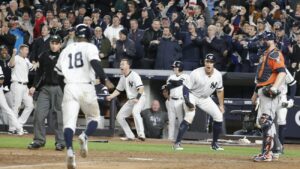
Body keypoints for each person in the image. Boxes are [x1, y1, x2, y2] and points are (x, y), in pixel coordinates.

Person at [54, 24, 114, 169]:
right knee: (94, 118)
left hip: (70, 86)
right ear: (89, 35)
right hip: (86, 86)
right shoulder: (90, 47)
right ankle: (85, 135)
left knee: (69, 124)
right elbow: (94, 63)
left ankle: (69, 150)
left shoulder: (66, 49)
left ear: (76, 35)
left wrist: (66, 87)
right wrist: (105, 79)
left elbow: (57, 72)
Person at [173, 53, 225, 151]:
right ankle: (177, 143)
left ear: (214, 64)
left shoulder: (218, 75)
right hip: (192, 95)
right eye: (207, 61)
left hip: (205, 98)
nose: (208, 64)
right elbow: (185, 88)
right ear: (204, 62)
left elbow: (220, 90)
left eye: (211, 62)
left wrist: (221, 105)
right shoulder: (196, 73)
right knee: (189, 115)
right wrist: (188, 102)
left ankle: (214, 144)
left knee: (218, 116)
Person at [251, 32, 286, 162]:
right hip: (263, 89)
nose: (262, 42)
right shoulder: (266, 54)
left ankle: (267, 154)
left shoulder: (274, 54)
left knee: (266, 121)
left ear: (271, 40)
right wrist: (255, 94)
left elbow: (282, 73)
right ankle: (274, 149)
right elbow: (261, 77)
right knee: (266, 122)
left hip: (269, 91)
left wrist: (274, 87)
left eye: (264, 39)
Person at [27, 35, 65, 151]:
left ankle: (60, 142)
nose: (54, 45)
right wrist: (34, 86)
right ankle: (39, 140)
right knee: (38, 114)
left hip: (60, 89)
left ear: (60, 44)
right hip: (45, 88)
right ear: (50, 43)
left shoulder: (64, 56)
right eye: (52, 43)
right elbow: (39, 73)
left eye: (56, 43)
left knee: (59, 117)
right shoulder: (44, 55)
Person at [106, 58, 146, 141]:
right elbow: (118, 90)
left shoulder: (134, 75)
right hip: (131, 100)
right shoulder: (122, 77)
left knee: (135, 112)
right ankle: (130, 136)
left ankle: (141, 134)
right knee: (120, 117)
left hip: (140, 97)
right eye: (120, 64)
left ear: (128, 65)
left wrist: (137, 98)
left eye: (123, 64)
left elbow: (141, 88)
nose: (121, 66)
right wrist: (111, 96)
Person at [8, 44, 34, 134]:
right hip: (16, 84)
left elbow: (33, 67)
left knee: (30, 105)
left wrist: (39, 62)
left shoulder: (26, 60)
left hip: (25, 86)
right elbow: (11, 64)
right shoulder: (16, 57)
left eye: (27, 50)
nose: (27, 52)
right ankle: (12, 128)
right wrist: (13, 54)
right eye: (26, 50)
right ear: (21, 50)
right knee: (16, 107)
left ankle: (19, 125)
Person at [166, 61, 189, 141]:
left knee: (181, 121)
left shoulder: (186, 76)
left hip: (181, 101)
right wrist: (175, 83)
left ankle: (182, 138)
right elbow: (168, 86)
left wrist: (174, 83)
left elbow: (179, 83)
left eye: (175, 67)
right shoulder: (171, 76)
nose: (174, 68)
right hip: (171, 100)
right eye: (174, 67)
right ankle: (170, 138)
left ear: (180, 68)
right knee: (171, 121)